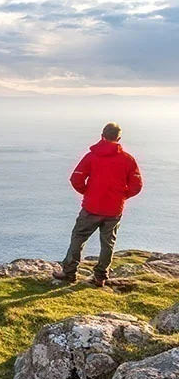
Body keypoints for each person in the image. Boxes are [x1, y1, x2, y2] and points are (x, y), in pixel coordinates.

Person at [53, 122, 143, 287]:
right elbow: (137, 185)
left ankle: (69, 273)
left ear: (102, 135)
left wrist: (87, 192)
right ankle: (100, 277)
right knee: (108, 243)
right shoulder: (128, 160)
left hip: (91, 207)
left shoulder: (91, 157)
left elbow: (76, 179)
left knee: (78, 238)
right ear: (119, 138)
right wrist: (121, 196)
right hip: (114, 209)